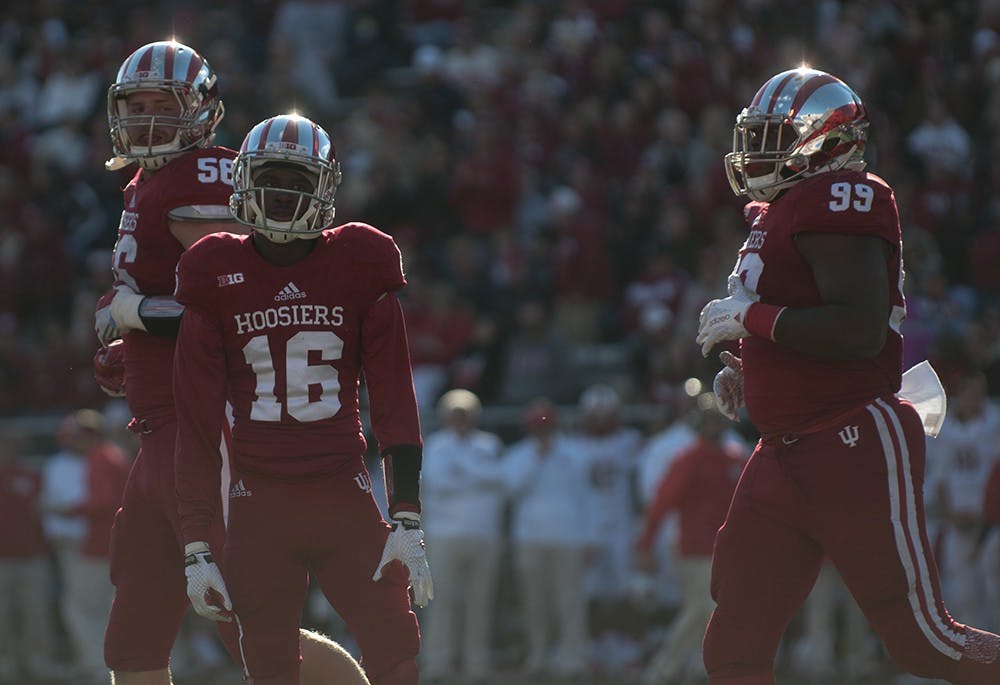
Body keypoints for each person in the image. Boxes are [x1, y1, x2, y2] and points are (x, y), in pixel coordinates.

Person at [695, 66, 1000, 684]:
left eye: (776, 136)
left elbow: (857, 330)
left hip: (850, 439)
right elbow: (800, 320)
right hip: (784, 450)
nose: (758, 152)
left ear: (827, 140)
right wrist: (750, 367)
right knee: (733, 645)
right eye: (756, 136)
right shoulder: (777, 210)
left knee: (924, 645)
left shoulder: (843, 198)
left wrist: (750, 318)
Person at [93, 40, 370, 685]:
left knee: (244, 622)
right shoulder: (151, 181)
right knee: (132, 636)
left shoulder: (203, 176)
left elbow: (248, 306)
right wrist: (130, 346)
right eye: (134, 106)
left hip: (204, 431)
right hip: (159, 431)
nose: (145, 121)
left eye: (161, 106)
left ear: (201, 112)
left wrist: (135, 314)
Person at [172, 112, 432, 685]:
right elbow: (195, 421)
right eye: (271, 177)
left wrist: (407, 513)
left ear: (324, 187)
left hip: (344, 490)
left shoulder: (361, 260)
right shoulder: (212, 269)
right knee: (266, 663)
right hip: (258, 500)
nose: (282, 194)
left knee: (396, 650)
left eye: (296, 181)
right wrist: (195, 542)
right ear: (243, 179)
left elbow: (394, 394)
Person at [633, 393, 745, 685]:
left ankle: (698, 668)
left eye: (718, 421)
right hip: (693, 546)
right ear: (700, 425)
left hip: (725, 550)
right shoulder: (689, 459)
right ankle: (664, 668)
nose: (715, 428)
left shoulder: (735, 458)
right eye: (709, 422)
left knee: (710, 612)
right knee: (702, 608)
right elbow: (661, 503)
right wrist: (645, 544)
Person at [419, 388, 506, 682]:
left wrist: (464, 472)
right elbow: (437, 483)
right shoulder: (435, 445)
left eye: (466, 414)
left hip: (484, 534)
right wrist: (477, 477)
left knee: (480, 602)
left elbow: (500, 479)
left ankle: (476, 664)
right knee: (442, 602)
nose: (461, 419)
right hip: (445, 534)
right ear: (445, 416)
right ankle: (438, 663)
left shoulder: (489, 444)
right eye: (456, 413)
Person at [503, 398, 593, 678]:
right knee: (535, 602)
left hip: (568, 538)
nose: (542, 433)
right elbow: (512, 490)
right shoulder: (518, 455)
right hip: (530, 538)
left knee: (569, 601)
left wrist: (589, 538)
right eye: (537, 428)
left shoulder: (576, 453)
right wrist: (538, 458)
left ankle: (572, 658)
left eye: (546, 427)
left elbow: (587, 499)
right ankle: (538, 656)